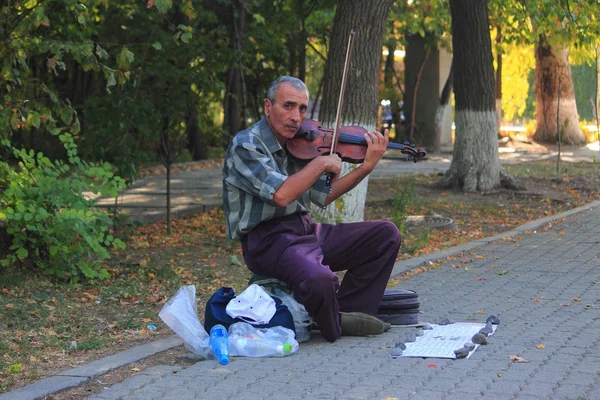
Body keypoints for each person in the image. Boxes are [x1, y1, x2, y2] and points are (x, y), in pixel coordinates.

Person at [222, 76, 401, 342]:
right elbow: (281, 195)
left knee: (386, 235)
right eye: (289, 106)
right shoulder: (247, 144)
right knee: (320, 279)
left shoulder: (302, 145)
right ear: (268, 107)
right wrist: (319, 164)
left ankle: (348, 312)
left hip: (305, 232)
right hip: (268, 241)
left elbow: (325, 195)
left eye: (302, 109)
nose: (296, 117)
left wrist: (366, 167)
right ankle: (331, 323)